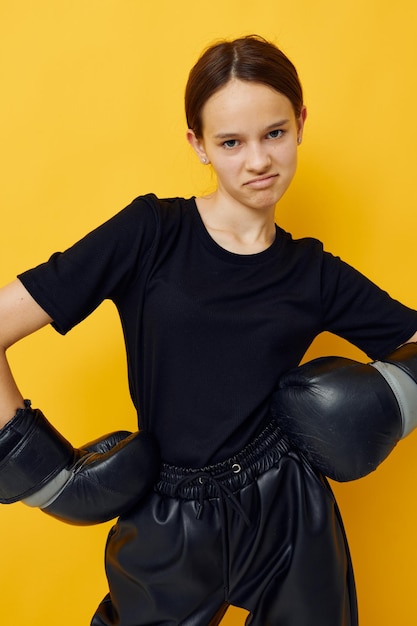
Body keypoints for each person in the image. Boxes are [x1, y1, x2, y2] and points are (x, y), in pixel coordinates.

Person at [1, 34, 417, 625]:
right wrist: (39, 473)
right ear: (198, 145)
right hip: (168, 517)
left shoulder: (313, 272)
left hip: (288, 510)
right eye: (230, 142)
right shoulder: (150, 233)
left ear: (300, 123)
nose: (257, 161)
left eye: (274, 132)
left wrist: (384, 405)